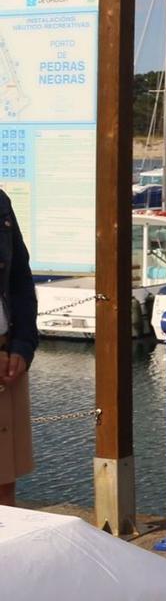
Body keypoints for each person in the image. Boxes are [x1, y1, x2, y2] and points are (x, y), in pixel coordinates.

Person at [0, 188, 37, 507]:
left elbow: (21, 281)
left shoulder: (0, 202)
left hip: (7, 354)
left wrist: (23, 346)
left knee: (4, 485)